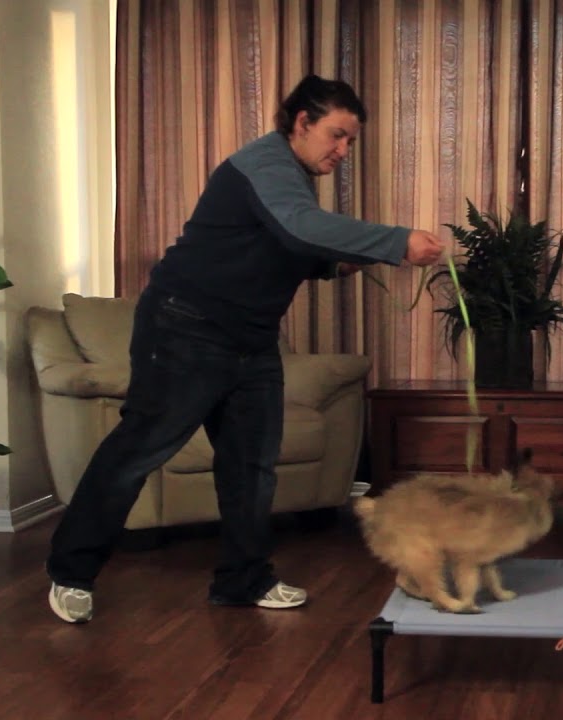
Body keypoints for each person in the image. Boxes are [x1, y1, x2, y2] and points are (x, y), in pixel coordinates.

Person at [46, 74, 446, 623]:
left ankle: (243, 579)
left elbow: (284, 245)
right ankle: (71, 573)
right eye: (337, 135)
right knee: (138, 450)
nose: (343, 151)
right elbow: (299, 227)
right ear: (301, 122)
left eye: (350, 141)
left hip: (251, 340)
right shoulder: (264, 163)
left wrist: (339, 262)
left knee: (252, 467)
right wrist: (397, 241)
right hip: (185, 330)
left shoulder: (291, 178)